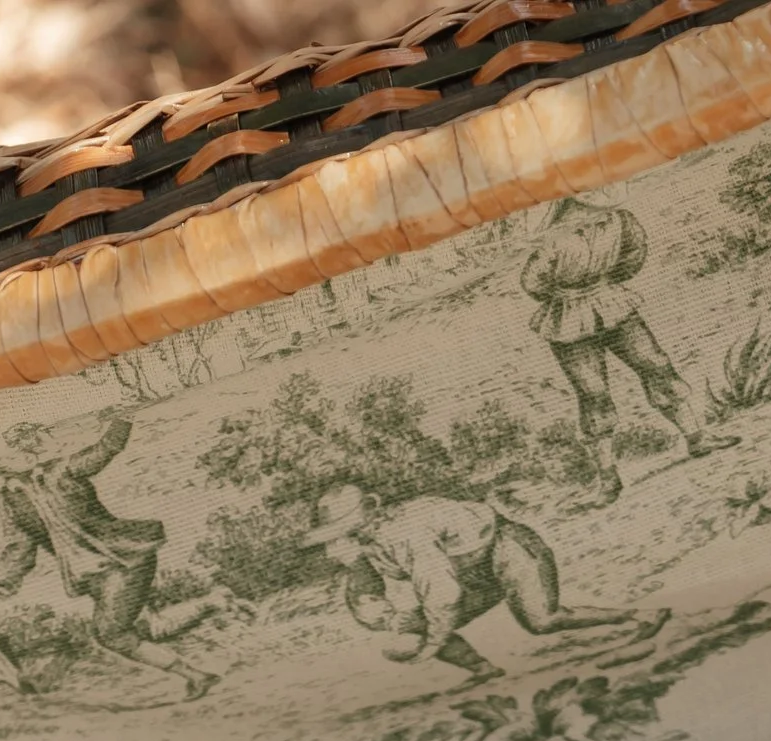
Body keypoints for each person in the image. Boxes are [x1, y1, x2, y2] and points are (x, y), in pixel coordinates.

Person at [519, 193, 734, 501]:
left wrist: (601, 285)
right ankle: (607, 478)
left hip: (613, 304)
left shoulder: (619, 220)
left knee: (656, 364)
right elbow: (533, 282)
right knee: (594, 393)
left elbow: (634, 253)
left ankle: (697, 438)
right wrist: (573, 295)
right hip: (570, 320)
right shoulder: (554, 239)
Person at [301, 482, 607, 673]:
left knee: (542, 620)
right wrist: (357, 569)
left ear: (370, 513)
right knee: (409, 623)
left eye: (347, 530)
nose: (342, 540)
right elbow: (369, 602)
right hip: (472, 572)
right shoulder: (369, 543)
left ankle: (635, 617)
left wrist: (433, 644)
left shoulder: (403, 532)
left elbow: (442, 592)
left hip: (509, 548)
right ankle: (482, 669)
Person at [0, 411, 167, 650]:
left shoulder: (62, 470)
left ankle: (198, 675)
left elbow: (104, 449)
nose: (25, 451)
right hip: (87, 574)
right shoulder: (10, 500)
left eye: (22, 447)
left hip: (122, 558)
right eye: (11, 453)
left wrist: (125, 415)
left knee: (110, 634)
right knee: (138, 627)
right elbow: (19, 547)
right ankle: (191, 636)